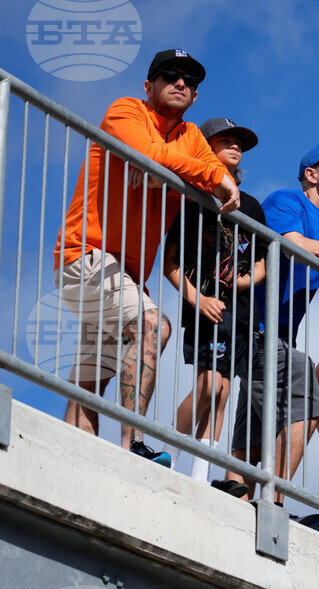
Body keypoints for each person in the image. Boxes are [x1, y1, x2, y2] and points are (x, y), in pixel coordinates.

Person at [54, 49, 239, 463]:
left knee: (92, 379)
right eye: (170, 75)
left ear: (195, 96)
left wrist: (170, 171)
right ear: (149, 85)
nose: (181, 83)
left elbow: (214, 183)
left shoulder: (191, 136)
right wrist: (193, 171)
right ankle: (132, 445)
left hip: (124, 277)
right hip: (86, 258)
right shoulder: (126, 110)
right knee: (154, 324)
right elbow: (154, 154)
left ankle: (69, 458)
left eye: (190, 81)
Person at [229, 142, 319, 508]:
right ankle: (273, 503)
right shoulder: (286, 201)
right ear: (311, 174)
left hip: (276, 334)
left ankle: (234, 494)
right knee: (303, 394)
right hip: (254, 325)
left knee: (255, 426)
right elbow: (294, 243)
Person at [161, 118, 265, 496]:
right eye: (226, 141)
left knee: (222, 391)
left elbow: (263, 262)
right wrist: (199, 299)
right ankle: (169, 456)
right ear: (206, 147)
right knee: (208, 385)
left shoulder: (251, 206)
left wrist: (243, 281)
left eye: (240, 143)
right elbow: (170, 264)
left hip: (240, 313)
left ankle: (199, 475)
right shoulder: (193, 196)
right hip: (205, 306)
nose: (236, 147)